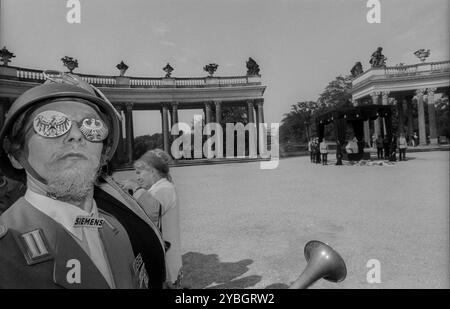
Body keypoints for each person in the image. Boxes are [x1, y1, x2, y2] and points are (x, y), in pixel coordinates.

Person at [0, 71, 166, 288]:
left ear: (104, 153)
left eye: (92, 126)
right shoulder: (5, 248)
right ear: (15, 155)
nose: (77, 134)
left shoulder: (114, 226)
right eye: (51, 123)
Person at [120, 149, 182, 288]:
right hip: (165, 260)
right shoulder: (158, 188)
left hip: (166, 264)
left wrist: (135, 188)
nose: (137, 177)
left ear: (153, 172)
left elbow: (151, 211)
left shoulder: (164, 189)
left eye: (139, 172)